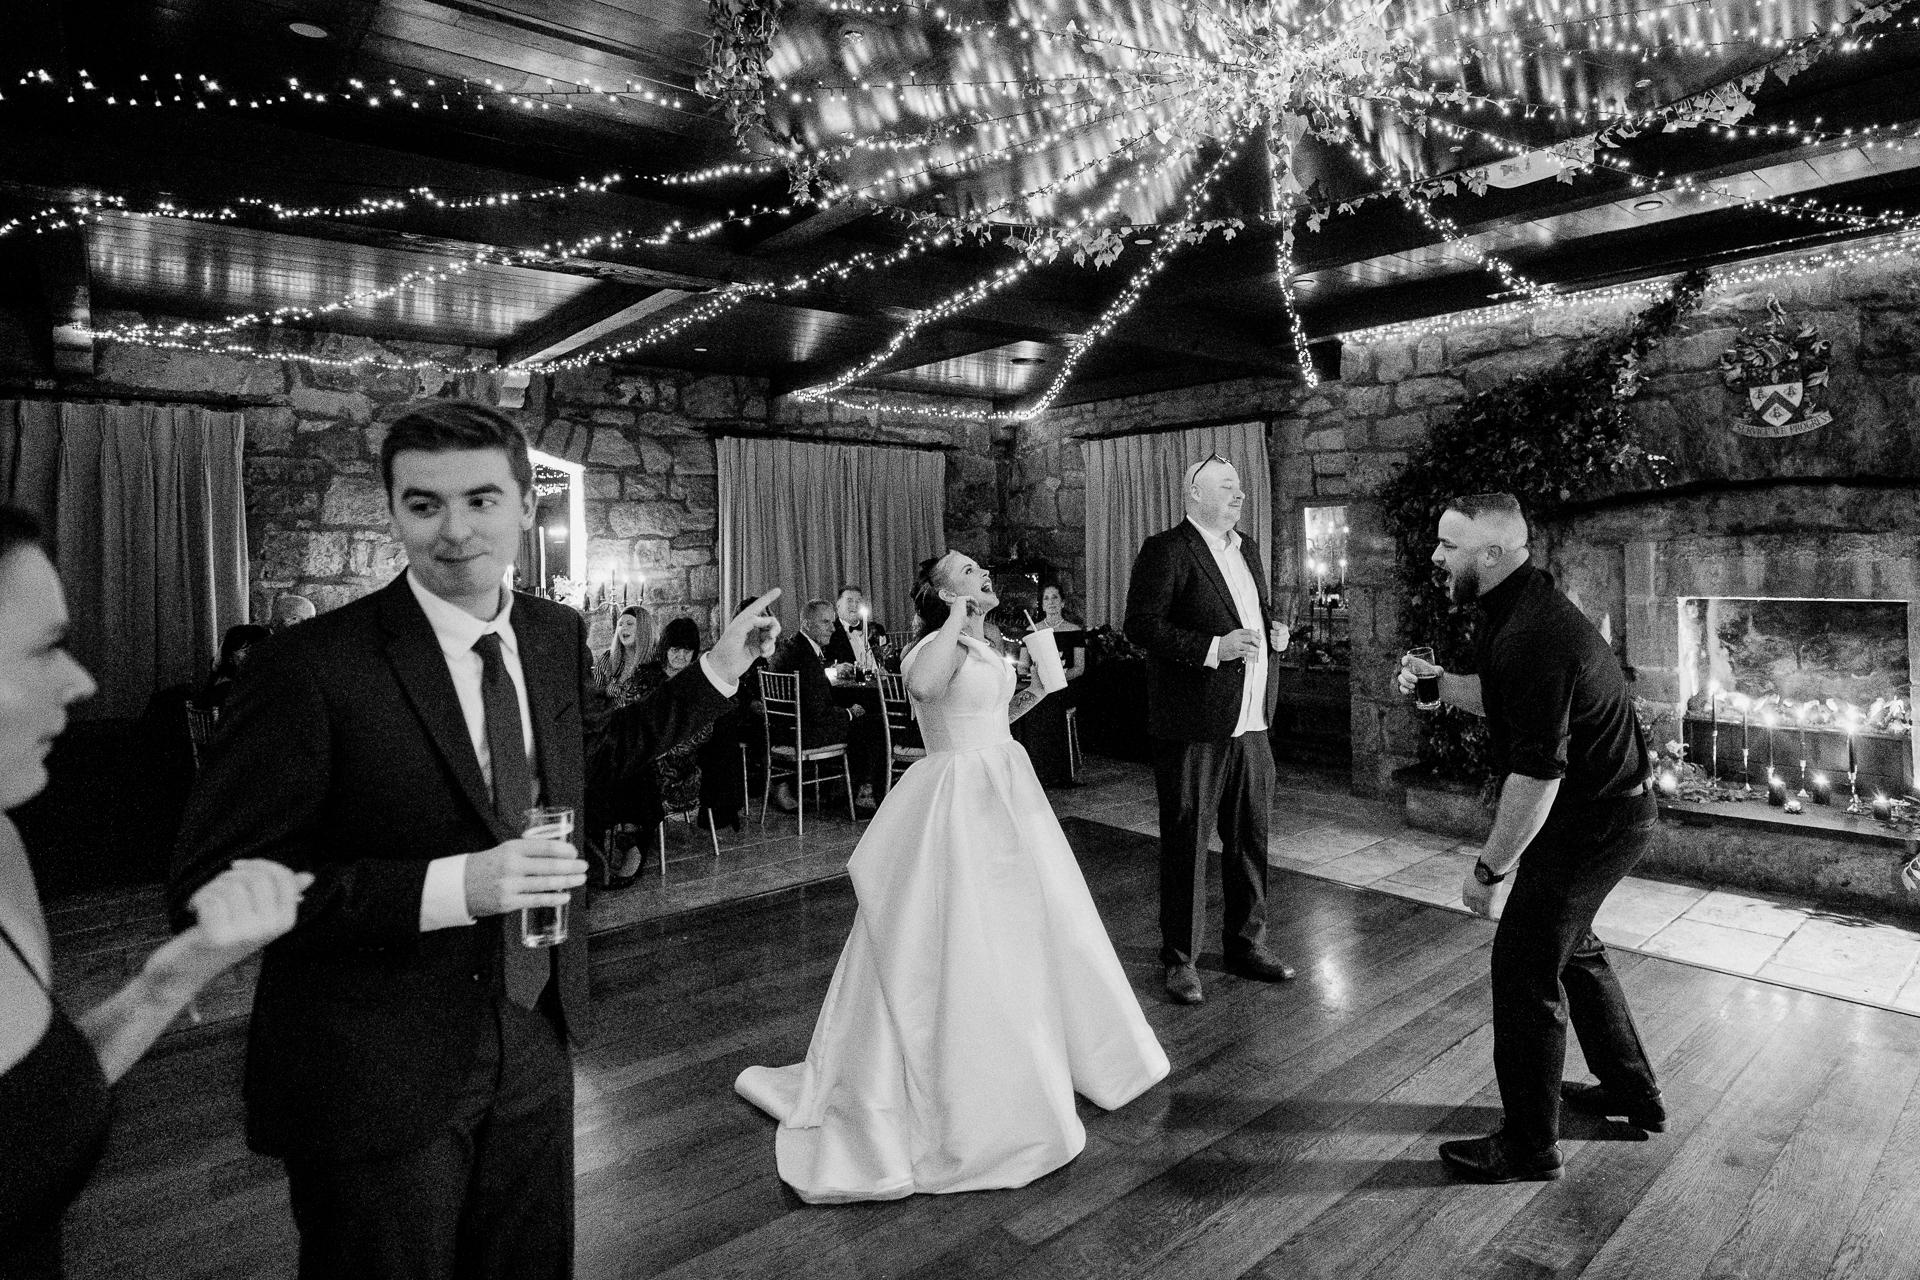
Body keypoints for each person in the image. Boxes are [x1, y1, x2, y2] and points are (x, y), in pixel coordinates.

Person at [167, 401, 781, 1280]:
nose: (455, 531)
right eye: (424, 505)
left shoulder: (551, 633)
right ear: (393, 511)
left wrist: (719, 671)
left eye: (483, 500)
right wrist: (458, 887)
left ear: (527, 507)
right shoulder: (309, 667)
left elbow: (592, 759)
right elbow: (215, 881)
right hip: (376, 1061)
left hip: (535, 1025)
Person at [735, 551, 1168, 1202]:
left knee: (1032, 925)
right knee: (957, 933)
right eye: (966, 572)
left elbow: (1008, 708)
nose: (981, 575)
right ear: (942, 593)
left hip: (1004, 780)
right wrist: (959, 615)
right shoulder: (928, 648)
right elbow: (926, 690)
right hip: (955, 794)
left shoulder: (989, 643)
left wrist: (1039, 678)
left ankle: (1058, 1056)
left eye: (978, 571)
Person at [0, 506, 306, 1278]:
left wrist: (174, 976)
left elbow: (34, 1108)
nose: (83, 682)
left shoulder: (1, 848)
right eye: (46, 648)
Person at [1398, 493, 1659, 1184]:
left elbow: (1537, 777)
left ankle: (1528, 1147)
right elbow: (1499, 694)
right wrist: (1436, 685)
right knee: (1575, 949)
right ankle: (1634, 1093)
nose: (1435, 555)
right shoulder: (1514, 609)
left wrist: (1488, 871)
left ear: (1490, 554)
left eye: (1448, 544)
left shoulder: (1535, 634)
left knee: (1523, 968)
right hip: (1598, 811)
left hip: (1595, 819)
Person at [1123, 454, 1293, 1006]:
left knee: (1250, 841)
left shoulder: (1245, 549)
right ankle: (1180, 960)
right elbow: (1141, 626)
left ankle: (1247, 945)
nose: (1239, 494)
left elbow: (1254, 613)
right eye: (1225, 486)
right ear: (1193, 497)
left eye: (1240, 486)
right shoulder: (1167, 550)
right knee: (1188, 842)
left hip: (1252, 723)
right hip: (1193, 724)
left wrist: (1273, 631)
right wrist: (1214, 649)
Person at [771, 600, 878, 813]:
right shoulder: (806, 658)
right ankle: (864, 793)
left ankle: (843, 788)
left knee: (859, 718)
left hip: (784, 731)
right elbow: (818, 713)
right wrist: (848, 712)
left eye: (832, 622)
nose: (832, 628)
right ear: (807, 624)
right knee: (871, 724)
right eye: (826, 622)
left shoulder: (789, 646)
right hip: (806, 733)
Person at [195, 623, 273, 712]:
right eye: (246, 650)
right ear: (230, 657)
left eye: (258, 650)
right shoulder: (226, 690)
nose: (253, 655)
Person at [593, 605, 652, 707]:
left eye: (630, 624)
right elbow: (594, 698)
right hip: (611, 719)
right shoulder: (607, 659)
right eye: (620, 624)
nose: (623, 628)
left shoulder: (653, 660)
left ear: (643, 628)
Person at [823, 584, 886, 671]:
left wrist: (885, 669)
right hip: (849, 683)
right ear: (838, 605)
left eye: (858, 601)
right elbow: (821, 663)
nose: (855, 605)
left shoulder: (877, 629)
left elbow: (888, 658)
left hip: (880, 681)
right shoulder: (830, 632)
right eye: (850, 601)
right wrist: (835, 668)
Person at [1037, 583, 1086, 682]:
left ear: (1062, 603)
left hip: (1067, 685)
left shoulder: (1075, 631)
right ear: (1043, 606)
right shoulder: (1032, 630)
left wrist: (1057, 681)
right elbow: (1023, 665)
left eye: (1055, 597)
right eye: (1046, 598)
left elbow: (1079, 668)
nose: (1050, 602)